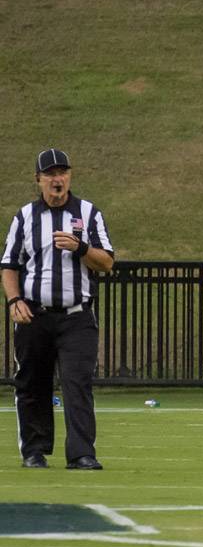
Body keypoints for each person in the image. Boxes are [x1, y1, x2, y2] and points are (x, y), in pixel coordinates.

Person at [2, 149, 115, 470]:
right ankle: (34, 451)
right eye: (50, 174)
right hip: (34, 315)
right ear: (38, 179)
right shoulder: (24, 217)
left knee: (77, 382)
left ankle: (81, 453)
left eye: (62, 172)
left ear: (70, 177)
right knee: (32, 382)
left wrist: (80, 247)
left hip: (77, 315)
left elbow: (107, 262)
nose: (57, 179)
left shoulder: (89, 213)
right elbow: (9, 265)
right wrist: (14, 301)